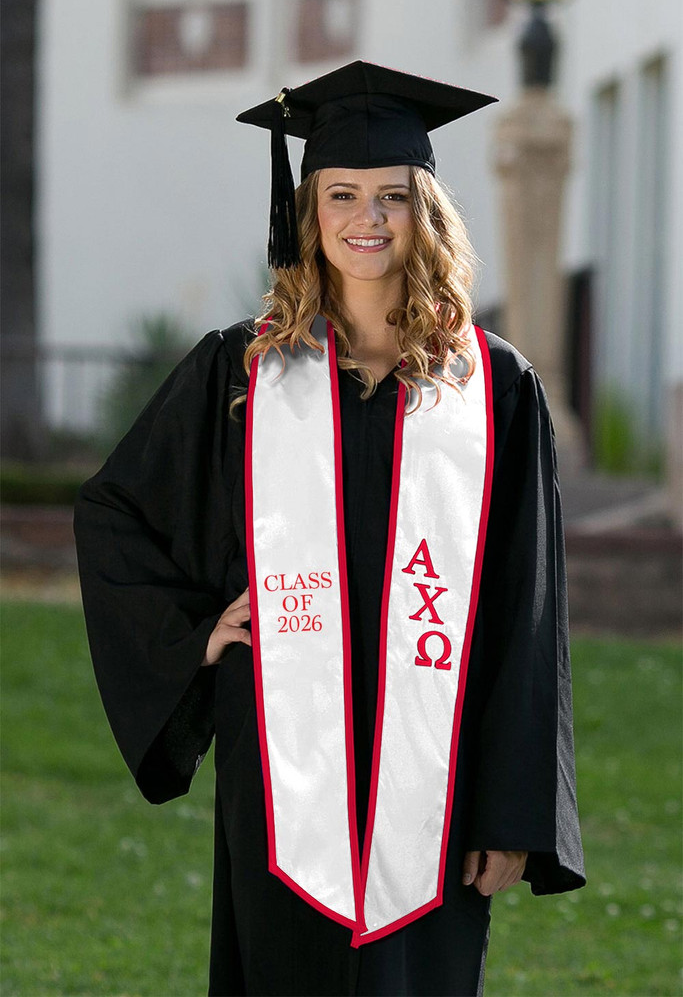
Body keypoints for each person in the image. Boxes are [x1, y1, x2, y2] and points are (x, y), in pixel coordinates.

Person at [74, 61, 585, 997]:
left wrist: (513, 810)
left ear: (424, 211)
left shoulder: (492, 385)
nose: (367, 219)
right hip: (282, 769)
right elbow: (117, 512)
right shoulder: (243, 371)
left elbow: (527, 605)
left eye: (392, 196)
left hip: (439, 771)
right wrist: (197, 636)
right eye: (342, 194)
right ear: (307, 210)